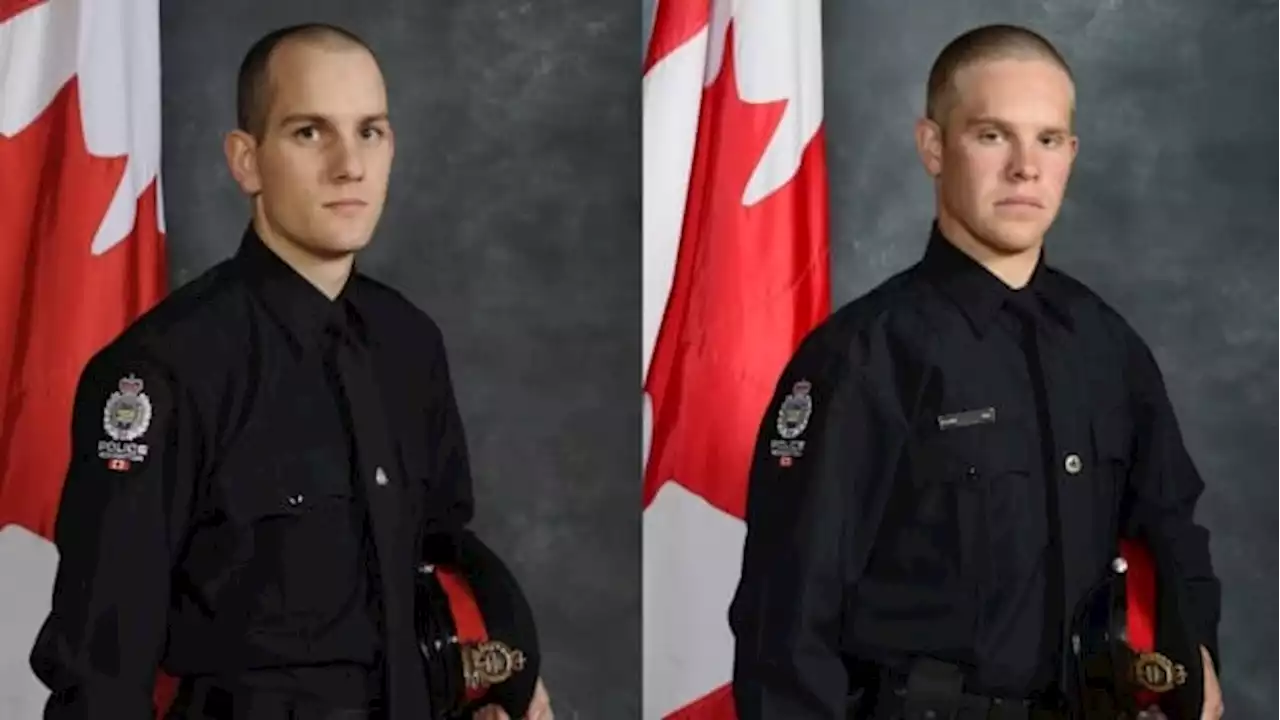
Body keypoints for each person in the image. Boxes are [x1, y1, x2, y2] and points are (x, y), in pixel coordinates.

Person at [28, 23, 552, 720]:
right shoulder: (165, 372)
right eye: (310, 132)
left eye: (370, 132)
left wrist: (501, 686)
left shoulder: (409, 345)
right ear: (246, 161)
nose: (349, 165)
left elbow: (441, 558)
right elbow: (101, 670)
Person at [727, 23, 1223, 720]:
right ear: (933, 146)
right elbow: (786, 626)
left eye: (1048, 139)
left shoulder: (1109, 349)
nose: (1026, 166)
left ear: (1071, 155)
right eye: (992, 135)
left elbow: (1174, 533)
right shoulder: (862, 359)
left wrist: (1193, 664)